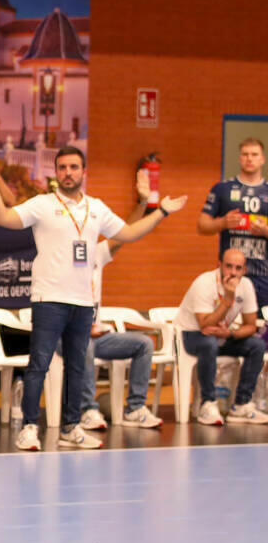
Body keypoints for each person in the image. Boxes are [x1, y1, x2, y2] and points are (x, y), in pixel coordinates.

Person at [0, 146, 186, 451]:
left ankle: (71, 428)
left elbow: (128, 233)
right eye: (62, 167)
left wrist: (161, 212)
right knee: (40, 365)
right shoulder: (42, 205)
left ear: (83, 172)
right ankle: (30, 428)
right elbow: (1, 217)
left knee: (78, 367)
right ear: (56, 172)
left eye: (74, 167)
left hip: (82, 303)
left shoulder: (96, 208)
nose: (68, 173)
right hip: (48, 298)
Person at [78, 175, 163, 431]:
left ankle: (135, 408)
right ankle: (88, 410)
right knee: (84, 346)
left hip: (99, 335)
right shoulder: (57, 260)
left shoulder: (96, 255)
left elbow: (125, 233)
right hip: (70, 336)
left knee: (144, 344)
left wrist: (142, 202)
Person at [174, 249, 268, 425]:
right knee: (209, 344)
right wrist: (227, 300)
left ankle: (241, 405)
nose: (233, 272)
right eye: (229, 266)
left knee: (256, 345)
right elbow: (204, 324)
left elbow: (250, 325)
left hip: (222, 334)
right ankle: (208, 403)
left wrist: (231, 333)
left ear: (244, 270)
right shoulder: (204, 283)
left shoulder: (246, 285)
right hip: (192, 335)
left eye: (238, 268)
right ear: (219, 265)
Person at [198, 138, 268, 308]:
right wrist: (222, 223)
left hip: (263, 273)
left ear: (262, 159)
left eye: (254, 154)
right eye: (245, 154)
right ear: (239, 158)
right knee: (226, 319)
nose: (249, 158)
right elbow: (202, 226)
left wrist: (265, 231)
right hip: (230, 272)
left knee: (260, 326)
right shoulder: (223, 189)